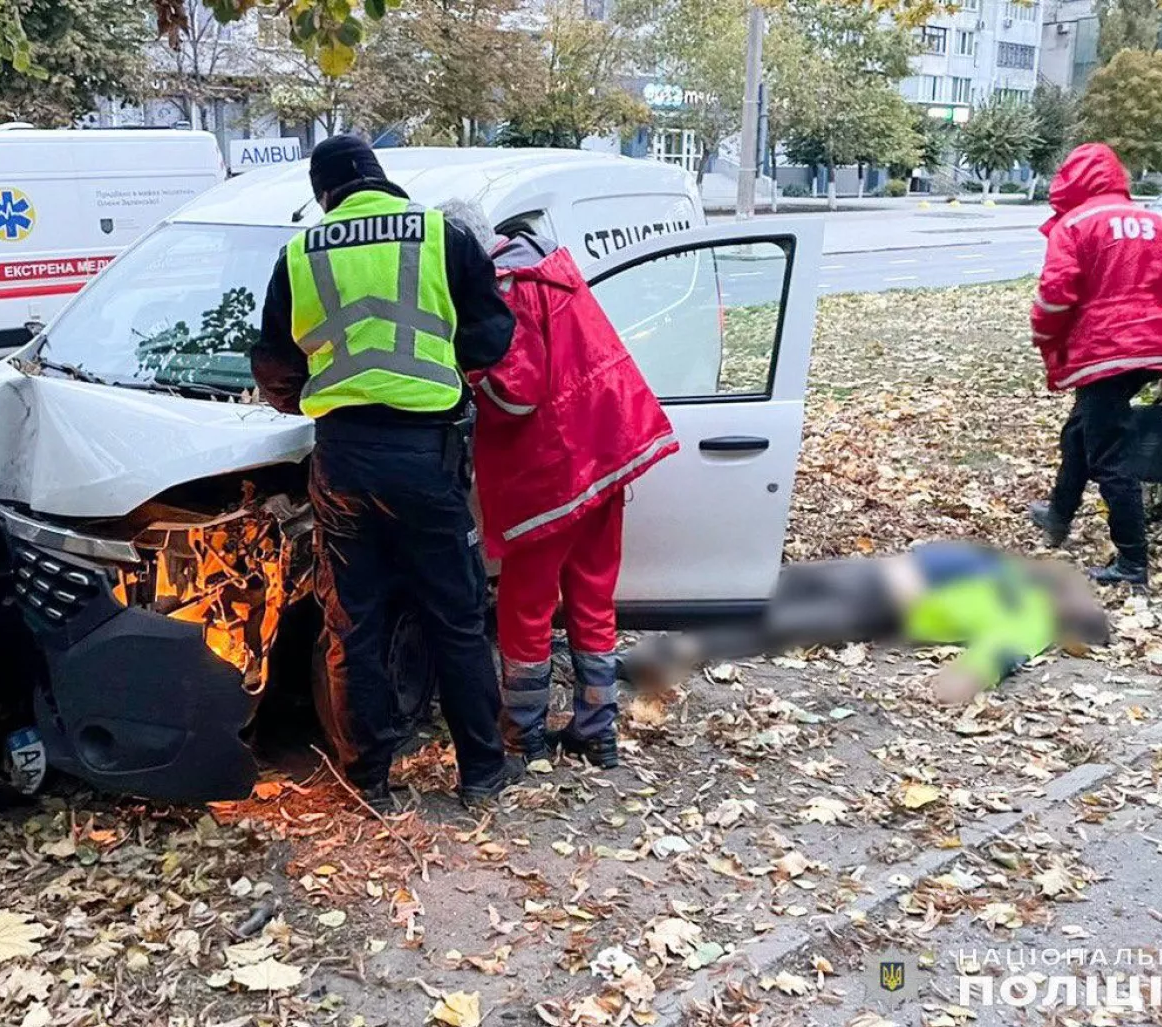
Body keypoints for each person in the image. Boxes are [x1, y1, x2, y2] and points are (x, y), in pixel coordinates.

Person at [251, 137, 519, 812]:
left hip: (342, 458)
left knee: (354, 626)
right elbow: (492, 339)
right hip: (427, 456)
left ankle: (367, 780)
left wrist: (321, 390)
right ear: (380, 177)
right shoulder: (443, 236)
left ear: (324, 195)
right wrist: (438, 367)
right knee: (455, 621)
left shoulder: (301, 254)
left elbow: (276, 371)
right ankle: (482, 776)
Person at [439, 199, 678, 770]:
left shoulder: (505, 288)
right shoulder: (552, 268)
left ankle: (523, 733)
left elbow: (515, 392)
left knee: (525, 606)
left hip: (553, 467)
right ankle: (598, 731)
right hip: (606, 448)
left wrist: (464, 372)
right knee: (592, 596)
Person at [621, 543, 1111, 707]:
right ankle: (669, 625)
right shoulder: (1019, 572)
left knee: (778, 624)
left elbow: (1001, 651)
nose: (1076, 587)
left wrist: (970, 676)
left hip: (884, 608)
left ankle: (668, 653)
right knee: (767, 586)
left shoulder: (1033, 618)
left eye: (1084, 602)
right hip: (873, 571)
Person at [1028, 142, 1162, 586]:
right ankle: (1059, 514)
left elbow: (1055, 296)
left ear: (1072, 180)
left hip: (1105, 351)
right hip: (1149, 350)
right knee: (1080, 430)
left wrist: (1045, 337)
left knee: (1108, 456)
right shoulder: (1156, 223)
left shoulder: (1075, 225)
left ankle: (1133, 563)